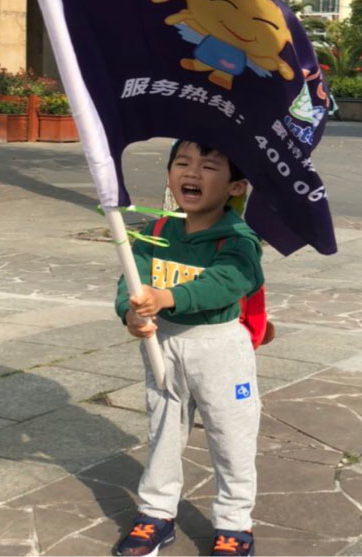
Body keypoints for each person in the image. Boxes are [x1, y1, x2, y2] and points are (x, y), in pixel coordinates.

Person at [115, 140, 264, 557]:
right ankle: (156, 513)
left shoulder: (238, 238)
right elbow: (131, 280)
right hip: (162, 344)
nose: (192, 173)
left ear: (235, 186)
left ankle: (234, 523)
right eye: (182, 163)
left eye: (209, 166)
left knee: (231, 436)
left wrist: (166, 297)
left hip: (220, 349)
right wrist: (131, 313)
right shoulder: (155, 233)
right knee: (163, 430)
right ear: (169, 175)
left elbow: (229, 281)